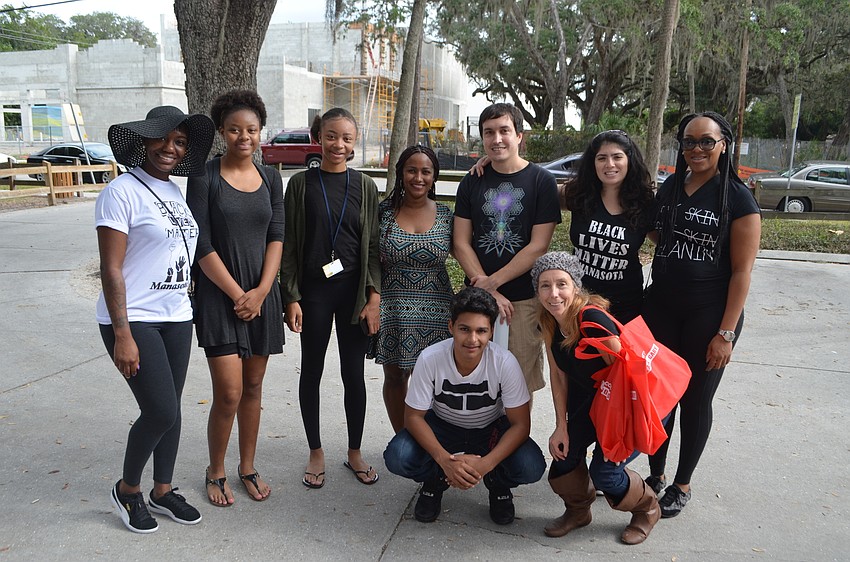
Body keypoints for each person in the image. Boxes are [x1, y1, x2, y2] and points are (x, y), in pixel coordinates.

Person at [96, 105, 215, 533]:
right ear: (144, 141)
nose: (170, 148)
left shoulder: (174, 193)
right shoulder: (121, 191)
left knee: (173, 409)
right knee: (160, 410)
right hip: (134, 319)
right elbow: (111, 269)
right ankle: (128, 490)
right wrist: (122, 335)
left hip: (176, 315)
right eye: (162, 138)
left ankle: (162, 490)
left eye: (180, 142)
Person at [641, 112, 760, 517]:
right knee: (660, 397)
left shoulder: (739, 199)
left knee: (694, 399)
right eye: (689, 142)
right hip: (662, 308)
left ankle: (681, 482)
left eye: (706, 142)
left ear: (723, 144)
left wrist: (726, 333)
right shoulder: (674, 185)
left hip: (709, 315)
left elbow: (743, 271)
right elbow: (659, 232)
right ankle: (655, 476)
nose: (696, 149)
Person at [186, 90, 284, 506]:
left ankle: (247, 466)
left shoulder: (272, 177)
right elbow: (200, 242)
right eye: (234, 130)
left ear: (260, 132)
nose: (244, 137)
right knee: (228, 392)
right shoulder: (204, 176)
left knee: (254, 387)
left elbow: (277, 235)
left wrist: (261, 291)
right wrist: (237, 293)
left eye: (252, 130)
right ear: (222, 132)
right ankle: (216, 470)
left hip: (262, 296)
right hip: (219, 296)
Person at [383, 287, 545, 525]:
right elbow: (413, 418)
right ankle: (436, 480)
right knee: (398, 456)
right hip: (443, 427)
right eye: (464, 329)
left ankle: (497, 483)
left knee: (531, 465)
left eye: (481, 331)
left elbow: (520, 425)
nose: (472, 339)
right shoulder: (430, 358)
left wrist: (484, 465)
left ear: (491, 331)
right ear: (451, 327)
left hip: (490, 430)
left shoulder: (504, 362)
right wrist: (444, 461)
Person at [280, 107, 381, 489]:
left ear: (355, 143)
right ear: (318, 137)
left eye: (346, 138)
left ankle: (354, 451)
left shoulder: (365, 186)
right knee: (313, 370)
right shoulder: (301, 184)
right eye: (331, 136)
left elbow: (372, 245)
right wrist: (290, 295)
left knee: (353, 374)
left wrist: (374, 297)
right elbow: (289, 242)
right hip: (314, 293)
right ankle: (316, 450)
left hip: (353, 293)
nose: (338, 144)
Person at [532, 252, 660, 545]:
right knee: (564, 459)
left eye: (561, 284)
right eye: (545, 286)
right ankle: (578, 512)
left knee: (605, 472)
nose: (554, 294)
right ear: (536, 291)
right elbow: (558, 376)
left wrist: (615, 435)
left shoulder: (592, 320)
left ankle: (647, 508)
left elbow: (630, 377)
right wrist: (560, 426)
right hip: (597, 402)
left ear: (575, 286)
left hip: (634, 405)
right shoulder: (549, 321)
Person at [454, 103, 561, 398]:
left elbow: (538, 246)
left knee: (518, 384)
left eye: (504, 131)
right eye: (489, 133)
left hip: (523, 302)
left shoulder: (541, 181)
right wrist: (487, 289)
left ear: (519, 136)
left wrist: (493, 283)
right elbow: (460, 242)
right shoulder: (473, 180)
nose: (497, 139)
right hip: (477, 299)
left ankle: (514, 444)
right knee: (473, 379)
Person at [367, 145, 453, 433]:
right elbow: (369, 258)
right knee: (394, 378)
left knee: (433, 380)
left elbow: (467, 252)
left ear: (434, 176)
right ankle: (403, 439)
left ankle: (431, 439)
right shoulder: (383, 213)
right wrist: (373, 299)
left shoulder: (446, 215)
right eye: (411, 170)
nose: (418, 177)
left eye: (425, 171)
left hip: (437, 310)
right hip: (392, 309)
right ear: (400, 173)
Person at [562, 130, 656, 323]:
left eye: (617, 157)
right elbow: (536, 186)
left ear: (629, 160)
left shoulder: (645, 202)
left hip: (625, 306)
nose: (609, 164)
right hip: (579, 300)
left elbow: (662, 240)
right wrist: (495, 164)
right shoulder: (577, 194)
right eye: (602, 158)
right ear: (593, 163)